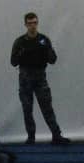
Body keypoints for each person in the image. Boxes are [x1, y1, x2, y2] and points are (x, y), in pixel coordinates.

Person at [10, 12, 70, 145]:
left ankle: (56, 135)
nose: (32, 26)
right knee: (27, 109)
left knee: (47, 107)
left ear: (37, 23)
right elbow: (13, 62)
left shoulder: (43, 40)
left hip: (40, 77)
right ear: (25, 24)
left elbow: (53, 60)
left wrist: (48, 50)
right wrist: (21, 54)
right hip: (25, 78)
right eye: (30, 23)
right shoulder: (20, 42)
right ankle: (31, 137)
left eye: (35, 23)